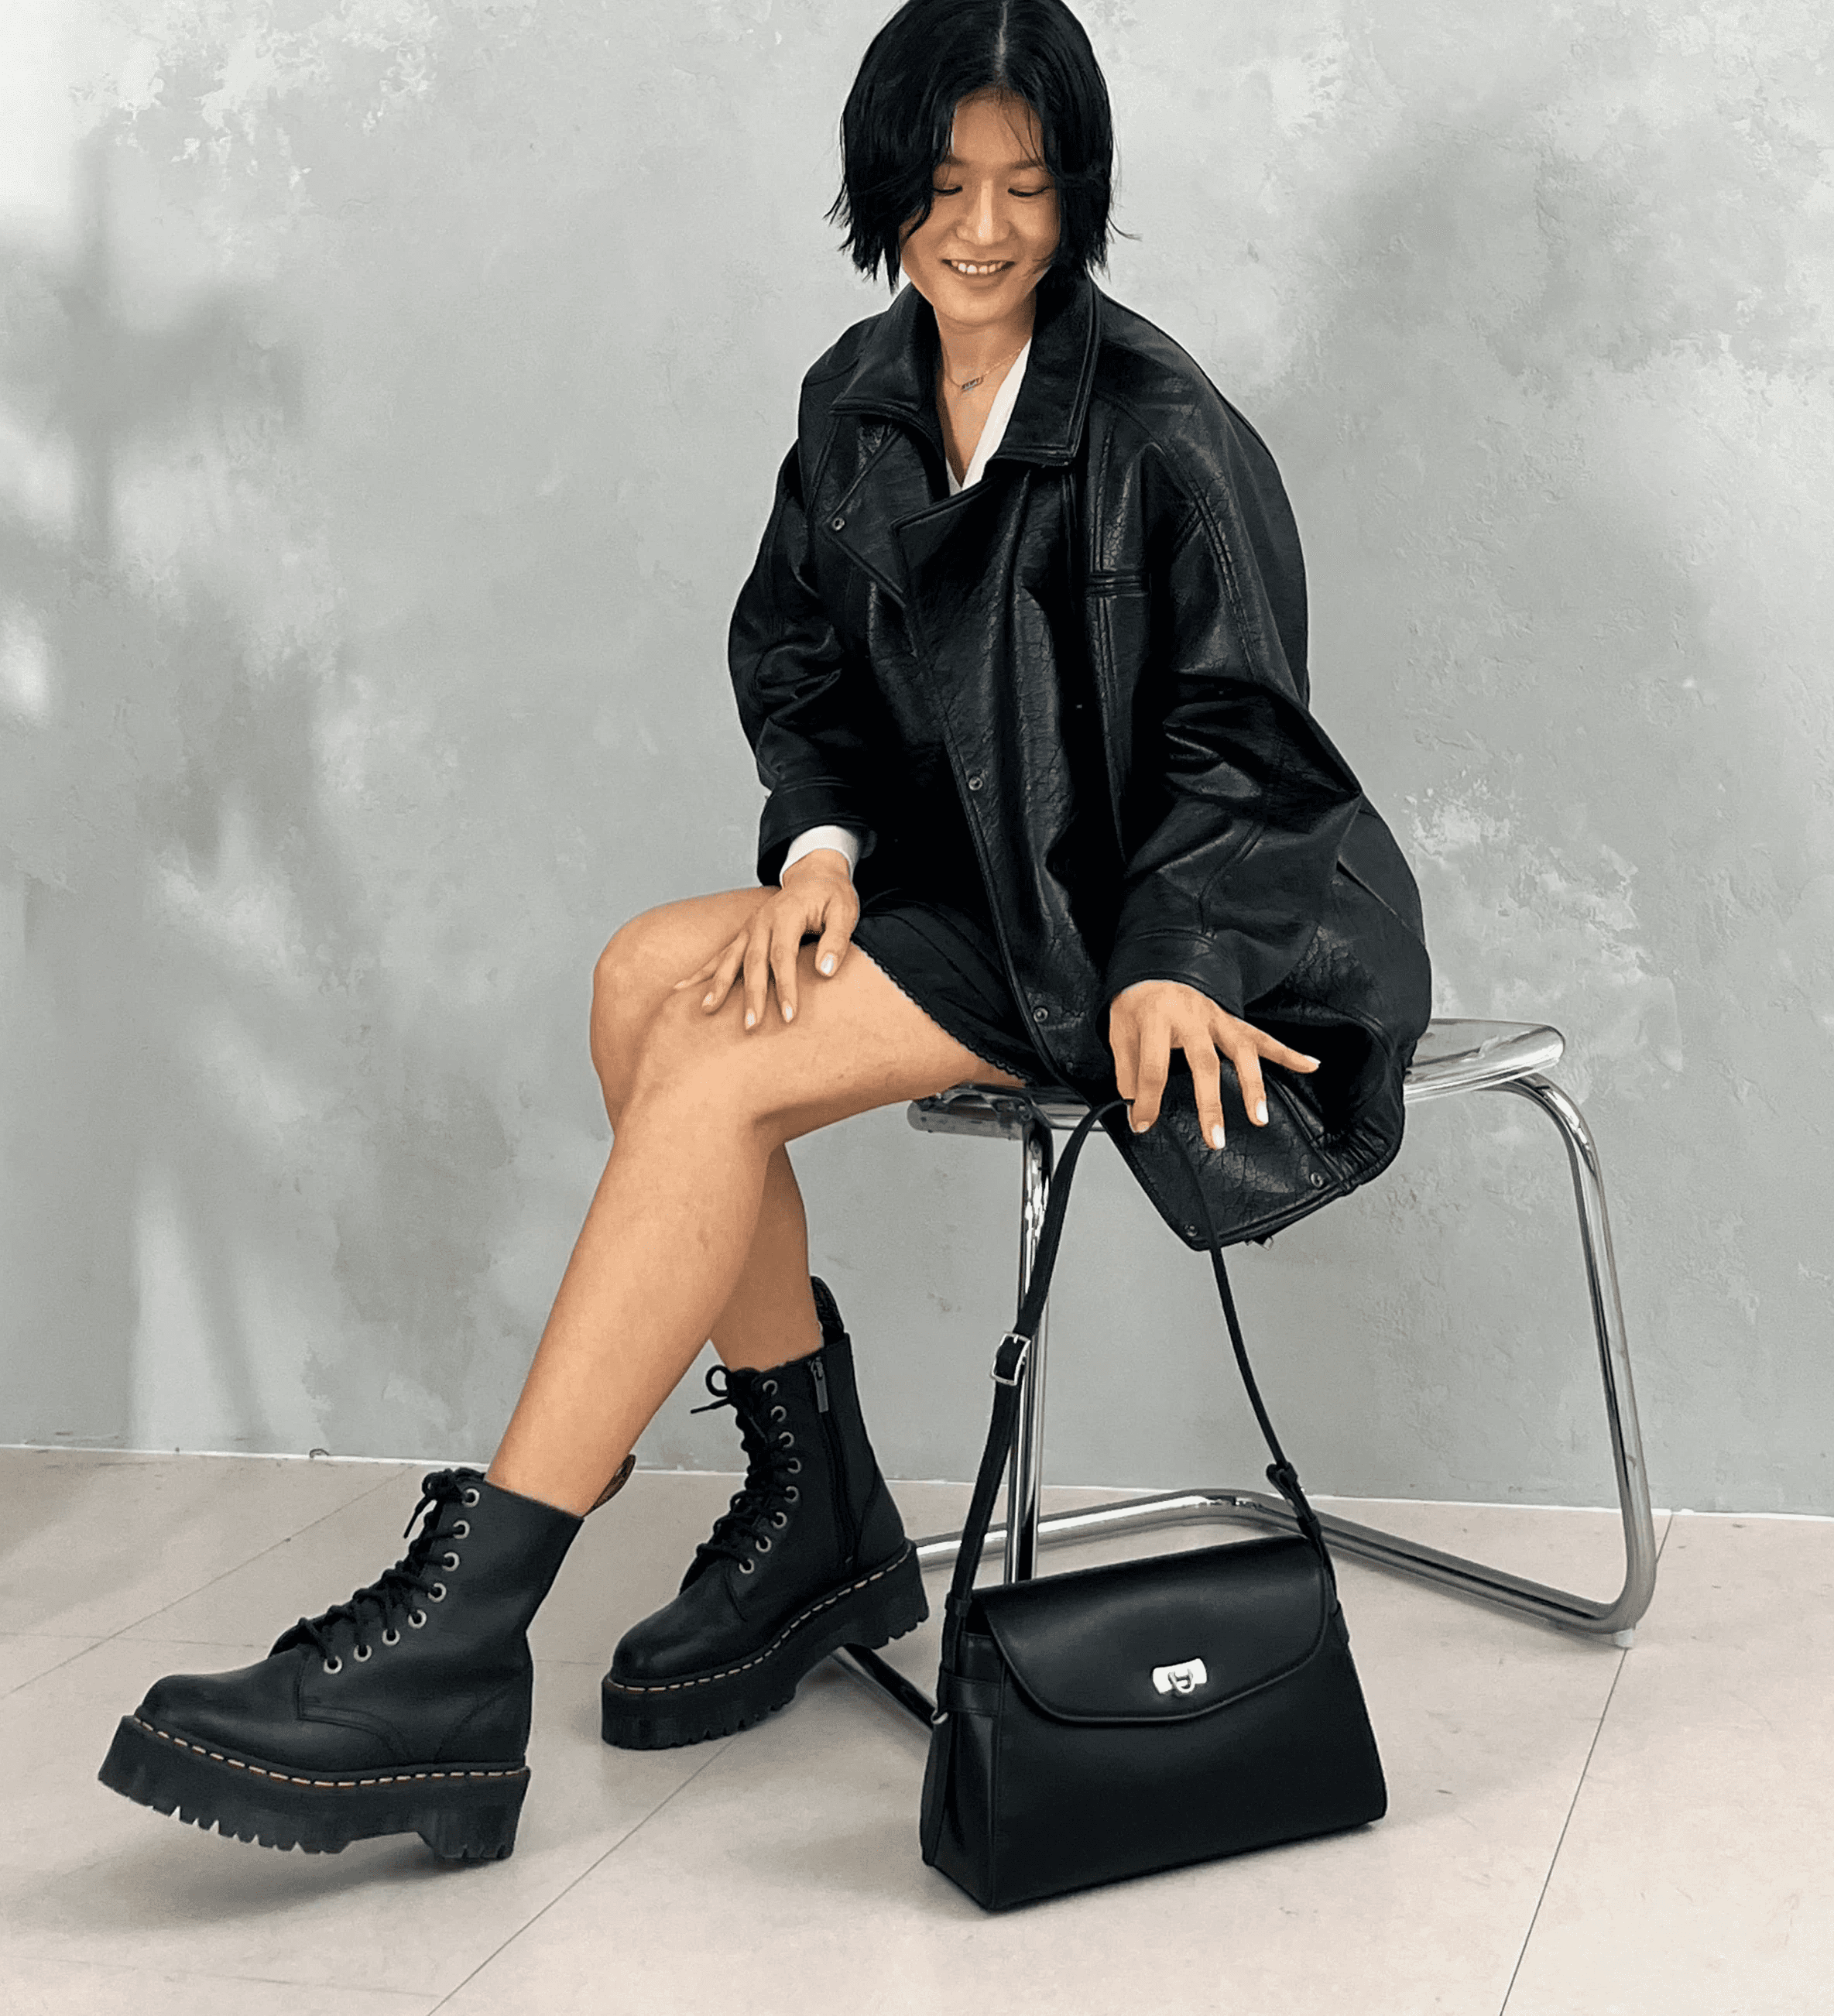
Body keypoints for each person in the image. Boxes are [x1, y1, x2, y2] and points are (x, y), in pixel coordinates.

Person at [98, 0, 1431, 1863]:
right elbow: (799, 660)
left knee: (712, 1071)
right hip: (960, 886)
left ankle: (460, 1642)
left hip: (1133, 913)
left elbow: (1246, 745)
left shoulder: (1163, 430)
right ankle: (813, 1508)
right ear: (885, 190)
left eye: (1027, 187)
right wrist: (814, 854)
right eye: (943, 185)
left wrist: (1171, 956)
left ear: (1078, 195)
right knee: (640, 978)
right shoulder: (858, 400)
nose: (982, 228)